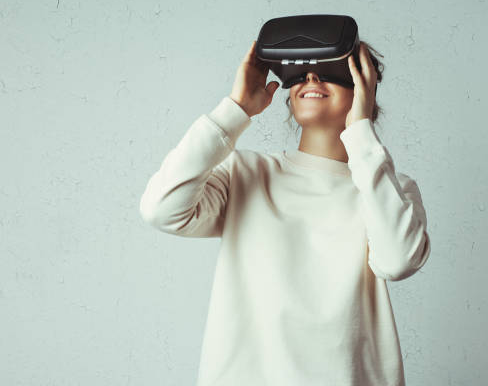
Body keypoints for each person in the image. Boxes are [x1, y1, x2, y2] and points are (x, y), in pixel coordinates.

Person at [139, 39, 431, 386]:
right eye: (300, 73)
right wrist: (235, 109)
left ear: (364, 87)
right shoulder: (244, 173)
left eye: (332, 71)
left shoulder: (389, 189)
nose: (311, 78)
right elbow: (161, 209)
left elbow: (398, 261)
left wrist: (361, 134)